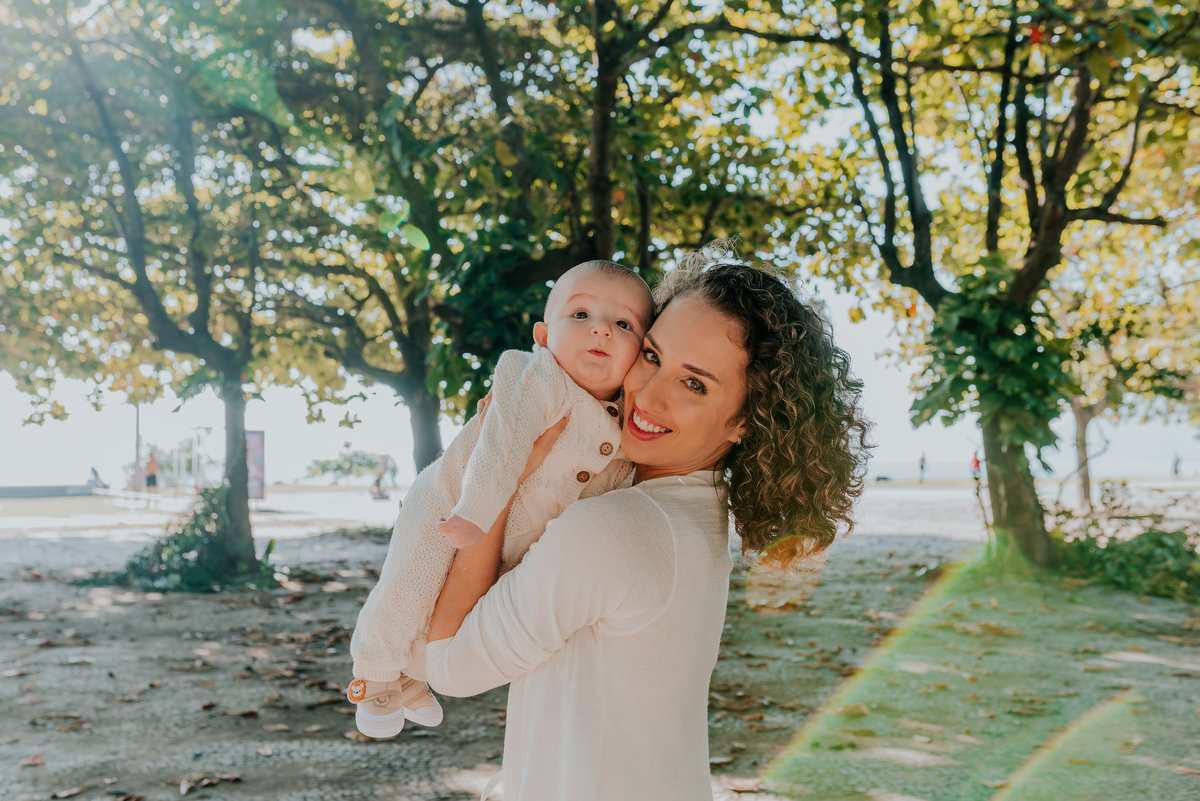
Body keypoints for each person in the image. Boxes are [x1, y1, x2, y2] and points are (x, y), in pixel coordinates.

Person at [424, 250, 871, 800]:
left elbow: (447, 666)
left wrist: (503, 468)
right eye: (654, 355)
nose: (650, 394)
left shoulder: (614, 530)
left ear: (745, 423)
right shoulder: (696, 518)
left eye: (696, 385)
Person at [347, 261, 655, 738]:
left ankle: (411, 678)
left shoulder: (620, 421)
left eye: (623, 324)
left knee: (459, 607)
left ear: (640, 351)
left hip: (509, 531)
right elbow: (504, 444)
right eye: (580, 314)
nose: (600, 328)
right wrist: (475, 510)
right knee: (413, 580)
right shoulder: (534, 376)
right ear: (544, 335)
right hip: (453, 501)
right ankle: (374, 671)